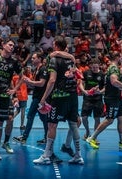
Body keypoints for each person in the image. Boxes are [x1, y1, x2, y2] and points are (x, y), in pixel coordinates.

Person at [33, 35, 84, 165]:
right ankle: (78, 155)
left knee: (52, 124)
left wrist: (43, 99)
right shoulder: (70, 59)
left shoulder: (53, 59)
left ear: (55, 45)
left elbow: (52, 80)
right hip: (73, 96)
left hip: (59, 96)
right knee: (73, 124)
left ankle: (46, 155)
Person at [86, 51, 122, 150]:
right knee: (110, 120)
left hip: (116, 97)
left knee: (121, 118)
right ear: (117, 58)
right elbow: (114, 82)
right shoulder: (113, 68)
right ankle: (91, 138)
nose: (121, 59)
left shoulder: (114, 68)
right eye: (120, 57)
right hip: (112, 98)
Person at [12, 52, 50, 145]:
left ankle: (24, 137)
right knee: (44, 118)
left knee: (30, 116)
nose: (31, 60)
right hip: (37, 96)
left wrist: (30, 82)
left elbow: (42, 83)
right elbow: (35, 84)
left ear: (39, 59)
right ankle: (47, 138)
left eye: (33, 58)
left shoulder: (43, 69)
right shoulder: (36, 70)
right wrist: (28, 82)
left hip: (40, 98)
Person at [79, 58, 105, 140]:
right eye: (93, 67)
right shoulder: (86, 73)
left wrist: (100, 92)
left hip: (98, 99)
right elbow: (80, 84)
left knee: (97, 118)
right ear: (91, 66)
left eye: (96, 67)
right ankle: (87, 131)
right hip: (87, 99)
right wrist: (84, 91)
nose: (94, 69)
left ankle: (94, 137)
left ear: (99, 66)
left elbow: (105, 87)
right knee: (84, 117)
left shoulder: (102, 74)